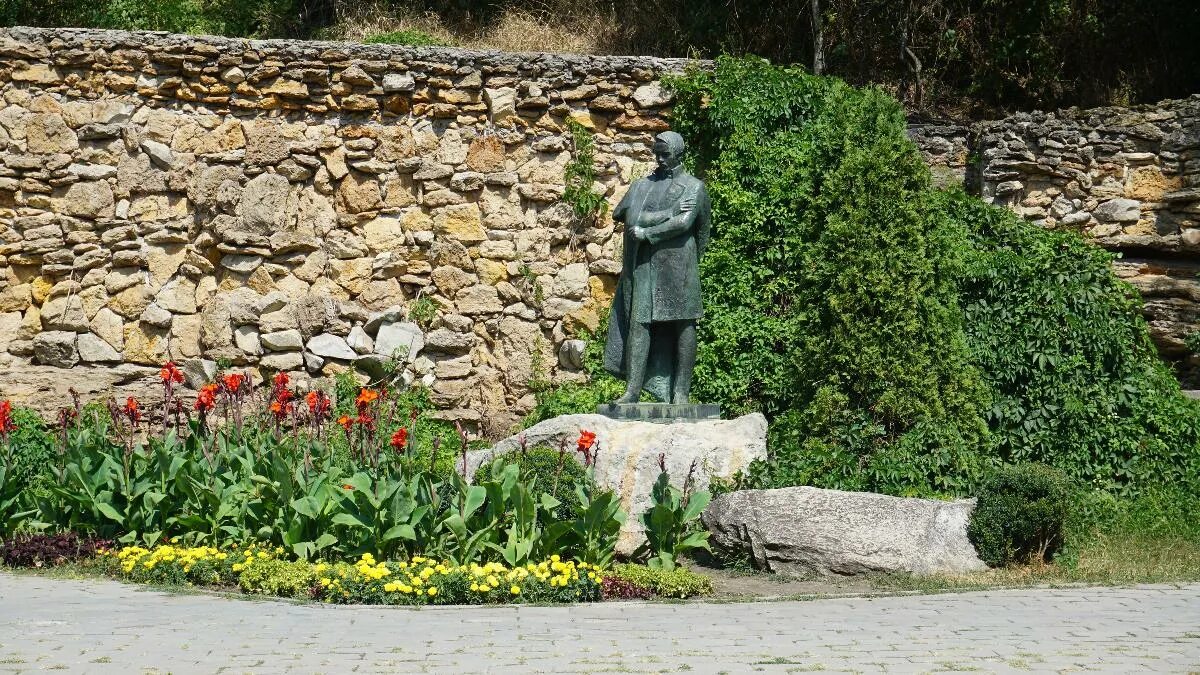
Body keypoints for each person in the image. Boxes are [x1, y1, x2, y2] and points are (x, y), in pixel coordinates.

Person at [602, 130, 711, 405]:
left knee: (683, 326)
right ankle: (632, 390)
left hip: (679, 265)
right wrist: (663, 214)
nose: (660, 159)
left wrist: (647, 231)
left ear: (678, 153)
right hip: (644, 266)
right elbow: (623, 214)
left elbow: (686, 224)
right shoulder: (642, 186)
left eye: (665, 154)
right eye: (657, 154)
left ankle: (681, 393)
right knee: (639, 323)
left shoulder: (693, 186)